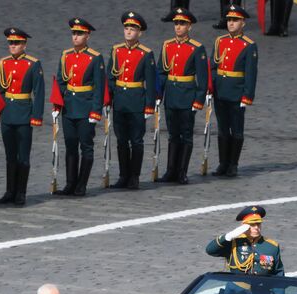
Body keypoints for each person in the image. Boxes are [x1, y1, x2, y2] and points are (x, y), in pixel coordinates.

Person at [52, 18, 106, 196]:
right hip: (69, 108)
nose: (75, 37)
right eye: (74, 33)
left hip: (85, 107)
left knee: (86, 146)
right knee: (70, 146)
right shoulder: (66, 55)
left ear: (87, 36)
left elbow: (99, 87)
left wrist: (96, 111)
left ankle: (82, 184)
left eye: (80, 34)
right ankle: (70, 184)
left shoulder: (95, 58)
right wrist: (56, 105)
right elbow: (60, 81)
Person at [0, 26, 46, 206]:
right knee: (9, 155)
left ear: (24, 44)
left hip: (24, 113)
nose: (13, 46)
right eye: (11, 43)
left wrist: (36, 115)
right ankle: (10, 191)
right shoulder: (3, 63)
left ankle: (21, 192)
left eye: (16, 43)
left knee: (23, 155)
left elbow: (39, 92)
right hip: (7, 113)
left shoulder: (33, 64)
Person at [108, 12, 157, 190]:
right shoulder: (116, 50)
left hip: (137, 101)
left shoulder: (146, 54)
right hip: (120, 102)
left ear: (139, 33)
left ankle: (134, 176)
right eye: (126, 28)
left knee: (136, 141)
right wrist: (111, 97)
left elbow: (151, 82)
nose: (128, 32)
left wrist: (149, 106)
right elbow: (110, 76)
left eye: (132, 29)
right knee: (121, 140)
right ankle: (123, 175)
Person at [158, 9, 208, 185]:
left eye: (182, 24)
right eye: (176, 24)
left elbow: (202, 77)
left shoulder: (196, 48)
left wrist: (199, 99)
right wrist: (158, 94)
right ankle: (170, 170)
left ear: (189, 26)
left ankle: (182, 172)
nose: (178, 27)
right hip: (171, 95)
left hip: (187, 96)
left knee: (186, 134)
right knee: (173, 134)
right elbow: (162, 72)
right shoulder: (167, 45)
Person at [210, 6, 257, 178]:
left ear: (242, 23)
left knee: (236, 130)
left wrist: (247, 95)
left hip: (236, 93)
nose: (231, 23)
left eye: (234, 20)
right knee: (222, 128)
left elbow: (251, 73)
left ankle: (233, 164)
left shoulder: (248, 45)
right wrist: (211, 88)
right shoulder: (220, 41)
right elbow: (213, 67)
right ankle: (223, 163)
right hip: (220, 91)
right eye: (229, 20)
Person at [206, 205, 283, 274]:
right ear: (243, 226)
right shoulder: (234, 243)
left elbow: (278, 273)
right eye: (252, 224)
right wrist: (227, 237)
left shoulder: (271, 246)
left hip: (262, 288)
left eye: (258, 224)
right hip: (237, 289)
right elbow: (210, 250)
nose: (256, 227)